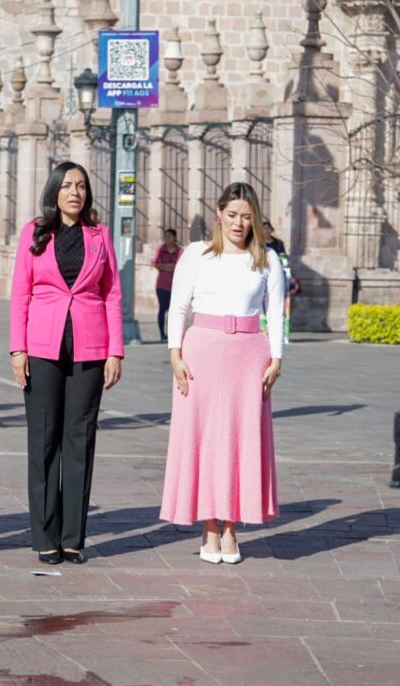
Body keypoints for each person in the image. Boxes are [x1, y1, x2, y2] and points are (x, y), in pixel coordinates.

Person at [160, 182, 285, 564]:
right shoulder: (196, 254)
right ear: (219, 214)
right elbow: (178, 308)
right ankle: (208, 527)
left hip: (249, 356)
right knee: (204, 440)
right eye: (232, 215)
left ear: (255, 219)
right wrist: (175, 354)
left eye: (246, 216)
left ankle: (231, 527)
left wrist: (276, 360)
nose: (239, 223)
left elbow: (276, 313)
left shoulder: (267, 259)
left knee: (241, 441)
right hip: (201, 352)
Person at [10, 161, 123, 566]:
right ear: (54, 191)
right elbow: (20, 293)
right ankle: (45, 536)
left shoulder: (100, 236)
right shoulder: (34, 234)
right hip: (42, 348)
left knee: (80, 441)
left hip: (90, 349)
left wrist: (115, 351)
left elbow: (111, 294)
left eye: (81, 186)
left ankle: (73, 538)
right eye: (67, 185)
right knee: (43, 441)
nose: (75, 192)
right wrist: (17, 350)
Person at [152, 228, 182, 342]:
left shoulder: (180, 251)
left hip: (176, 286)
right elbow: (155, 263)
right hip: (162, 285)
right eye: (166, 236)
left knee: (173, 310)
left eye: (169, 236)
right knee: (163, 308)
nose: (167, 238)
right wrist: (169, 266)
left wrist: (165, 266)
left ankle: (173, 334)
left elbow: (180, 266)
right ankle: (162, 334)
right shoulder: (161, 249)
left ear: (175, 238)